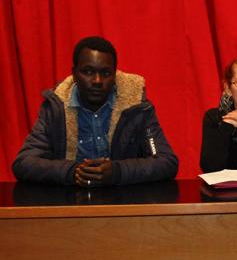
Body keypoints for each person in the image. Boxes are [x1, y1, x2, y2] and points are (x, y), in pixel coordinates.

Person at [12, 36, 178, 187]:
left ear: (115, 76)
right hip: (68, 207)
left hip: (124, 207)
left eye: (105, 73)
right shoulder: (56, 108)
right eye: (88, 72)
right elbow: (24, 163)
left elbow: (165, 162)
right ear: (74, 74)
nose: (97, 81)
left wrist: (118, 172)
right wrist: (73, 172)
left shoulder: (137, 108)